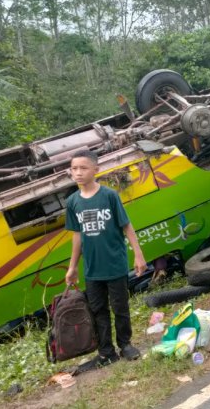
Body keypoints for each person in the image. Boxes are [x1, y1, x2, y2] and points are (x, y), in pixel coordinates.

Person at [65, 150, 147, 368]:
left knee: (120, 307)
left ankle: (126, 345)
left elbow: (126, 225)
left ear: (95, 170)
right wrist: (72, 267)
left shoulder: (109, 196)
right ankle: (106, 351)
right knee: (98, 310)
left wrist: (138, 255)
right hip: (92, 269)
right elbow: (77, 236)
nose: (78, 173)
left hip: (115, 264)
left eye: (83, 168)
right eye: (74, 168)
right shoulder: (72, 202)